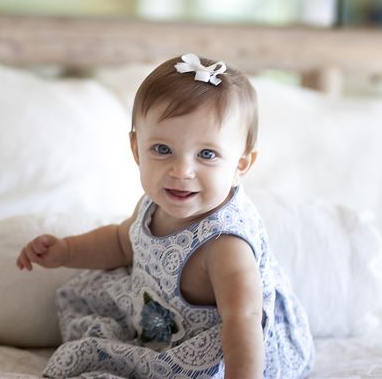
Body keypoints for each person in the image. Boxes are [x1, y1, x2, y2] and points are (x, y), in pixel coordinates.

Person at [16, 53, 314, 378]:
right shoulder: (152, 205)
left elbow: (243, 318)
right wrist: (65, 251)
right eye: (162, 149)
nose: (181, 171)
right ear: (136, 149)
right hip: (160, 317)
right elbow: (121, 242)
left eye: (207, 154)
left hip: (228, 348)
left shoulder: (225, 244)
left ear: (240, 165)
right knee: (90, 298)